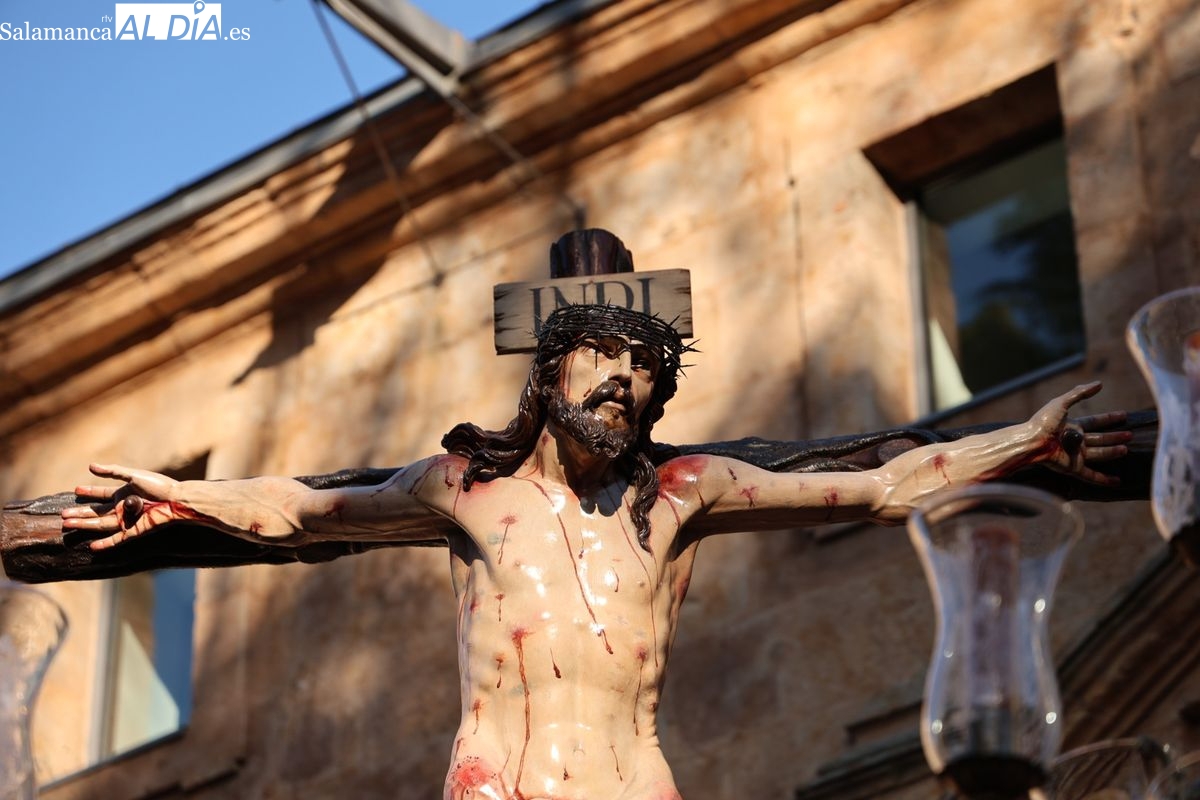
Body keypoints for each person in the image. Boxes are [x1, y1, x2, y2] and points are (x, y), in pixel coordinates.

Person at [61, 302, 1129, 800]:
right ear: (551, 376)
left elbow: (889, 483)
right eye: (600, 357)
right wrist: (183, 495)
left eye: (645, 368)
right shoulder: (464, 489)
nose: (624, 378)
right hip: (501, 784)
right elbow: (300, 508)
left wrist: (1017, 437)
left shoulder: (683, 494)